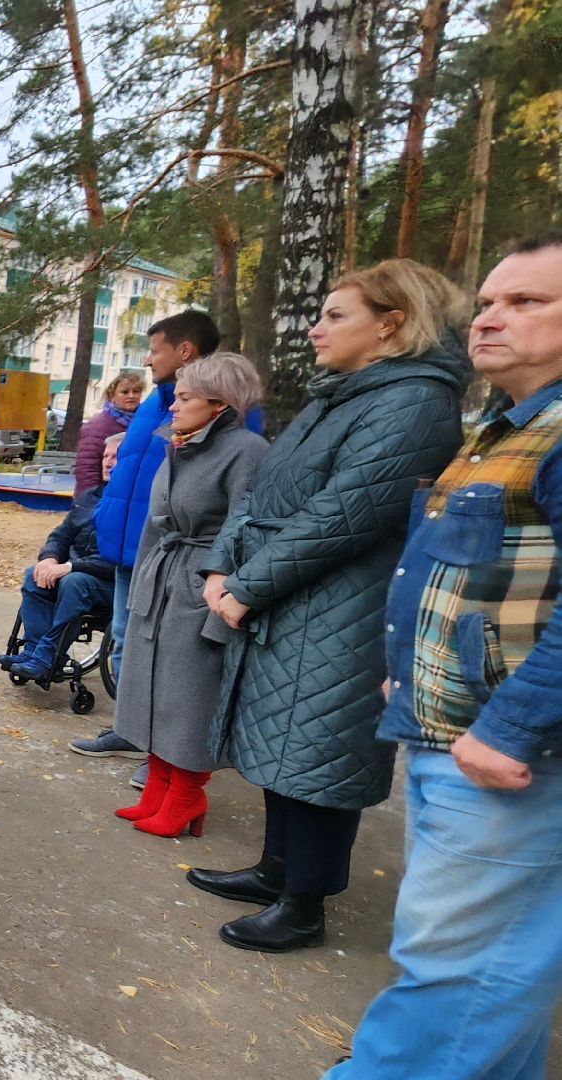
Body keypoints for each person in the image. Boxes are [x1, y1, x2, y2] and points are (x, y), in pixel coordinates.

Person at [325, 235, 562, 1079]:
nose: (490, 317)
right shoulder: (505, 430)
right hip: (455, 737)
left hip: (506, 757)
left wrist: (510, 727)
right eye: (488, 301)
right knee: (498, 976)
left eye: (526, 302)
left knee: (452, 975)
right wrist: (412, 667)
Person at [191, 259, 471, 954]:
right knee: (284, 743)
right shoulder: (340, 396)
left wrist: (248, 585)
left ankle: (304, 904)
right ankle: (276, 869)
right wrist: (223, 564)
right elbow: (261, 493)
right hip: (292, 599)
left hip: (343, 608)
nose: (317, 329)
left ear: (391, 324)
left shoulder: (414, 402)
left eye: (336, 316)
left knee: (321, 750)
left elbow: (347, 515)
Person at [70, 310, 259, 784]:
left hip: (184, 555)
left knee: (178, 666)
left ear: (185, 350)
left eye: (155, 350)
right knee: (127, 641)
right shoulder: (160, 401)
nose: (148, 360)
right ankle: (133, 730)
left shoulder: (227, 419)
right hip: (137, 545)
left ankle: (164, 750)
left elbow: (238, 505)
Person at [110, 352, 267, 839]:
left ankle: (185, 796)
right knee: (152, 689)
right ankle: (158, 788)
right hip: (163, 578)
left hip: (204, 586)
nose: (173, 406)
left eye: (184, 397)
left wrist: (222, 605)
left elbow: (247, 530)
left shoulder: (247, 451)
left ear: (219, 404)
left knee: (190, 696)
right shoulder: (178, 444)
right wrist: (141, 586)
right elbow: (157, 525)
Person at [0, 432, 121, 683]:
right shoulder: (90, 497)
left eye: (116, 457)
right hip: (76, 572)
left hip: (112, 583)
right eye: (105, 456)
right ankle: (33, 651)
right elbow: (61, 535)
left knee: (74, 582)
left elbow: (119, 559)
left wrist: (71, 566)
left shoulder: (135, 506)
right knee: (34, 574)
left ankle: (47, 657)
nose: (108, 462)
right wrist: (50, 558)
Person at [74, 372, 144, 495]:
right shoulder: (97, 426)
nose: (131, 396)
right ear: (112, 395)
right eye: (125, 392)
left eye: (136, 391)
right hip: (101, 495)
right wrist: (91, 499)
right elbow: (87, 468)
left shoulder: (142, 423)